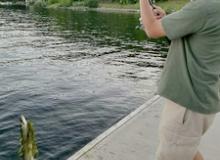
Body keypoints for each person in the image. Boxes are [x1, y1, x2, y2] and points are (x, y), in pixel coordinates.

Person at [139, 0, 220, 160]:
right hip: (201, 102)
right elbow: (199, 36)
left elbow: (152, 30)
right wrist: (167, 19)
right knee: (188, 154)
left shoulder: (204, 7)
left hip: (187, 106)